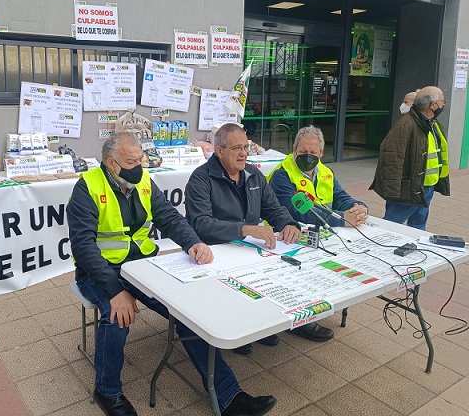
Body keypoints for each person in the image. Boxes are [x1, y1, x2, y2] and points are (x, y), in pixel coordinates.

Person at [67, 132, 277, 416]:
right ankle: (107, 391)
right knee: (116, 317)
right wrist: (116, 291)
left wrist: (193, 242)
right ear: (111, 163)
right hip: (98, 272)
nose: (139, 166)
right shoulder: (87, 187)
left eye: (140, 159)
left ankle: (229, 397)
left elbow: (167, 216)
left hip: (139, 266)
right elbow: (84, 246)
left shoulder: (141, 181)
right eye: (131, 161)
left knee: (189, 313)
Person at [184, 123, 331, 350]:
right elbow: (201, 224)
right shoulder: (200, 179)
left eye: (245, 147)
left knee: (292, 263)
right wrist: (246, 229)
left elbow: (273, 208)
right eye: (236, 148)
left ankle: (282, 322)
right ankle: (238, 329)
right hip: (217, 253)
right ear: (219, 151)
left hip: (250, 250)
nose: (243, 153)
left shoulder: (253, 175)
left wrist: (288, 223)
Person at [370, 86, 450, 230]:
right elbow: (392, 159)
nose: (443, 104)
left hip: (426, 186)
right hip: (410, 189)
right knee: (390, 225)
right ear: (433, 105)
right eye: (442, 101)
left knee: (418, 227)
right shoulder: (405, 125)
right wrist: (393, 193)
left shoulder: (431, 123)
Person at [267, 125, 369, 229]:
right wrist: (342, 218)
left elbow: (340, 197)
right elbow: (298, 212)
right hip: (289, 234)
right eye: (303, 152)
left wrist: (358, 208)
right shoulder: (281, 175)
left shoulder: (326, 172)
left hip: (325, 231)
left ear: (321, 153)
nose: (308, 156)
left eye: (313, 152)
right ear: (294, 150)